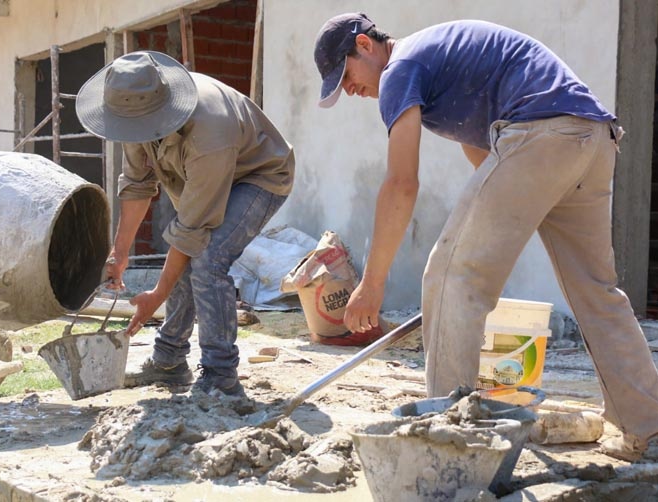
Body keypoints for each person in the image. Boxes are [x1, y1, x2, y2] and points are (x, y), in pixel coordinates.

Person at [314, 13, 658, 461]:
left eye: (346, 76)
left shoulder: (400, 69)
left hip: (541, 132)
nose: (349, 90)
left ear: (365, 45)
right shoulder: (442, 63)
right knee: (597, 292)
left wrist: (372, 283)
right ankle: (646, 427)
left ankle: (445, 439)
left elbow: (401, 183)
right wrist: (509, 221)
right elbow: (486, 156)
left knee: (450, 276)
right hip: (590, 136)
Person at [76, 51, 294, 396]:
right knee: (184, 256)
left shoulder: (210, 129)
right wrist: (118, 254)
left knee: (207, 259)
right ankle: (169, 362)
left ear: (160, 109)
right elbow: (137, 185)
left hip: (257, 175)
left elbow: (193, 231)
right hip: (204, 178)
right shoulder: (134, 115)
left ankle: (220, 377)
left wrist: (158, 295)